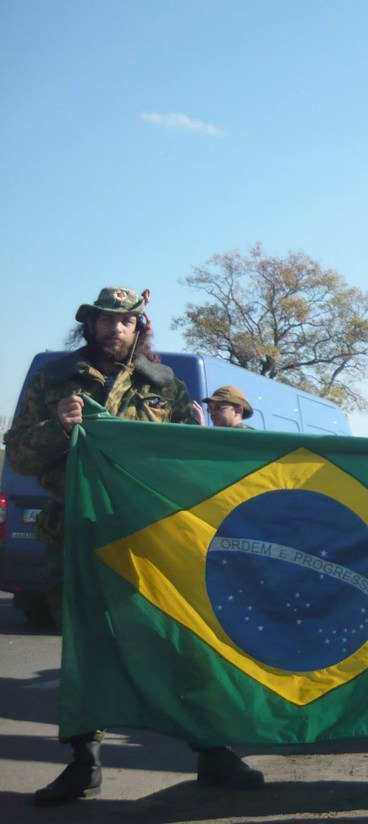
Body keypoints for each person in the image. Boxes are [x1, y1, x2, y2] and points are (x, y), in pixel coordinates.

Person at [3, 286, 264, 805]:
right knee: (86, 649)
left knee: (180, 641)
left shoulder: (163, 385)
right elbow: (19, 456)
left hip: (148, 540)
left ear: (140, 327)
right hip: (75, 533)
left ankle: (212, 751)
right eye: (105, 320)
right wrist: (59, 426)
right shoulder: (54, 380)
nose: (115, 328)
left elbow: (187, 462)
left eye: (126, 321)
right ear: (90, 325)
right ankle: (84, 763)